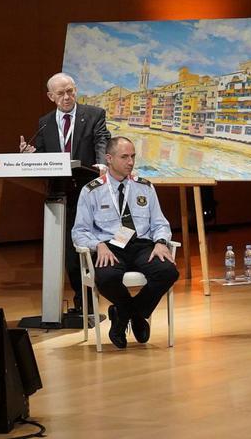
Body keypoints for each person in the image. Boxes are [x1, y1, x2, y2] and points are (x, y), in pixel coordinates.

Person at [72, 136, 178, 349]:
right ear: (109, 158)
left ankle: (125, 313)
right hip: (110, 246)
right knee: (106, 277)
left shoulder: (145, 187)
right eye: (124, 157)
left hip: (141, 245)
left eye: (133, 156)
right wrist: (98, 245)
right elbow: (79, 231)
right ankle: (135, 314)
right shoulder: (91, 190)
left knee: (168, 272)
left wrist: (160, 242)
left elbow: (160, 223)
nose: (130, 162)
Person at [20, 72, 111, 314]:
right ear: (51, 96)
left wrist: (102, 164)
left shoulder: (94, 114)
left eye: (70, 91)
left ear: (75, 90)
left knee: (92, 246)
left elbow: (102, 140)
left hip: (89, 190)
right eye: (61, 93)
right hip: (61, 193)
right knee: (71, 253)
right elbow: (44, 155)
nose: (67, 97)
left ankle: (93, 298)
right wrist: (31, 155)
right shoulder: (45, 122)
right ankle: (82, 301)